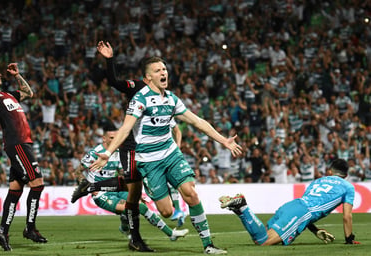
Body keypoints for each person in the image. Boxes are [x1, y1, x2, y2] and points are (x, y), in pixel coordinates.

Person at [90, 56, 243, 254]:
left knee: (191, 193)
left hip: (170, 154)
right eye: (157, 71)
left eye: (164, 69)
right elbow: (125, 128)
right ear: (148, 78)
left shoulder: (171, 98)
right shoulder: (139, 100)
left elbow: (197, 121)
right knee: (167, 211)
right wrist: (108, 152)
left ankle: (208, 245)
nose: (163, 73)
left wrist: (223, 140)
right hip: (149, 161)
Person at [74, 122, 189, 242]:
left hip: (116, 190)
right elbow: (77, 172)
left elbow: (122, 176)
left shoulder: (119, 152)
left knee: (138, 205)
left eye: (117, 138)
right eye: (112, 138)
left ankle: (124, 226)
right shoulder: (94, 153)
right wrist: (90, 188)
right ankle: (171, 234)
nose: (115, 141)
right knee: (139, 208)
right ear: (104, 138)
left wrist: (135, 194)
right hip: (102, 194)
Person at [0, 60, 47, 251]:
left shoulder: (8, 94)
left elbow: (28, 93)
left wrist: (17, 75)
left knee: (15, 190)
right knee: (37, 184)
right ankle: (30, 228)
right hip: (17, 143)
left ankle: (2, 231)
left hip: (23, 142)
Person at [219, 158, 361, 246]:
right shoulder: (348, 186)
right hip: (300, 213)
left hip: (291, 206)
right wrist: (349, 239)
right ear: (346, 175)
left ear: (330, 171)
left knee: (260, 237)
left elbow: (307, 208)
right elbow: (346, 216)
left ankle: (241, 209)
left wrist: (315, 230)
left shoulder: (318, 181)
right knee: (264, 242)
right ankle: (243, 206)